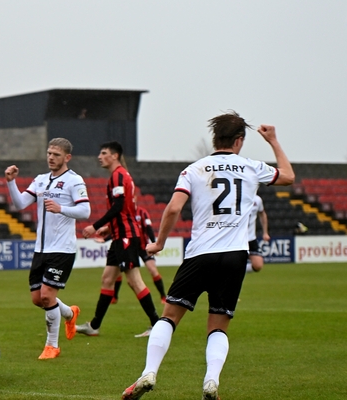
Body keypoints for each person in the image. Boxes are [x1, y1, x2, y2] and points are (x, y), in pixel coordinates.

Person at [121, 112, 294, 400]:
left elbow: (174, 208)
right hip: (235, 257)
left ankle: (148, 372)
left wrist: (159, 243)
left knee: (169, 318)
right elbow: (288, 176)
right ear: (239, 140)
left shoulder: (195, 169)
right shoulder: (251, 167)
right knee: (218, 325)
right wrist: (273, 141)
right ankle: (211, 381)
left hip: (201, 253)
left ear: (215, 139)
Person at [6, 137, 90, 359]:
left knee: (46, 296)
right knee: (38, 299)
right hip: (41, 249)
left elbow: (85, 212)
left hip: (62, 249)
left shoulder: (74, 181)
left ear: (67, 157)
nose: (51, 158)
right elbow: (20, 203)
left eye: (56, 154)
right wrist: (11, 182)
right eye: (49, 153)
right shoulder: (41, 180)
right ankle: (70, 313)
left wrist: (61, 208)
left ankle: (52, 345)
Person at [79, 142, 160, 338]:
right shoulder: (121, 175)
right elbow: (124, 209)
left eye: (104, 153)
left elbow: (118, 206)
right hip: (119, 235)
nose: (100, 156)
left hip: (126, 236)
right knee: (108, 278)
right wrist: (110, 227)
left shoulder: (118, 175)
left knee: (134, 281)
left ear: (114, 156)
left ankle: (157, 326)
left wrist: (95, 226)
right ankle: (94, 325)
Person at [108, 197, 167, 305]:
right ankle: (114, 297)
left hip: (144, 247)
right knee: (118, 273)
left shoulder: (142, 212)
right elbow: (118, 230)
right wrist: (105, 238)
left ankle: (163, 296)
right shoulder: (124, 214)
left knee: (153, 270)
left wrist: (155, 243)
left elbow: (148, 228)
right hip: (130, 247)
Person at [246, 195, 269, 273]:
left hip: (251, 238)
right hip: (237, 239)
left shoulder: (257, 199)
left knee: (258, 265)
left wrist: (265, 233)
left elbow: (262, 213)